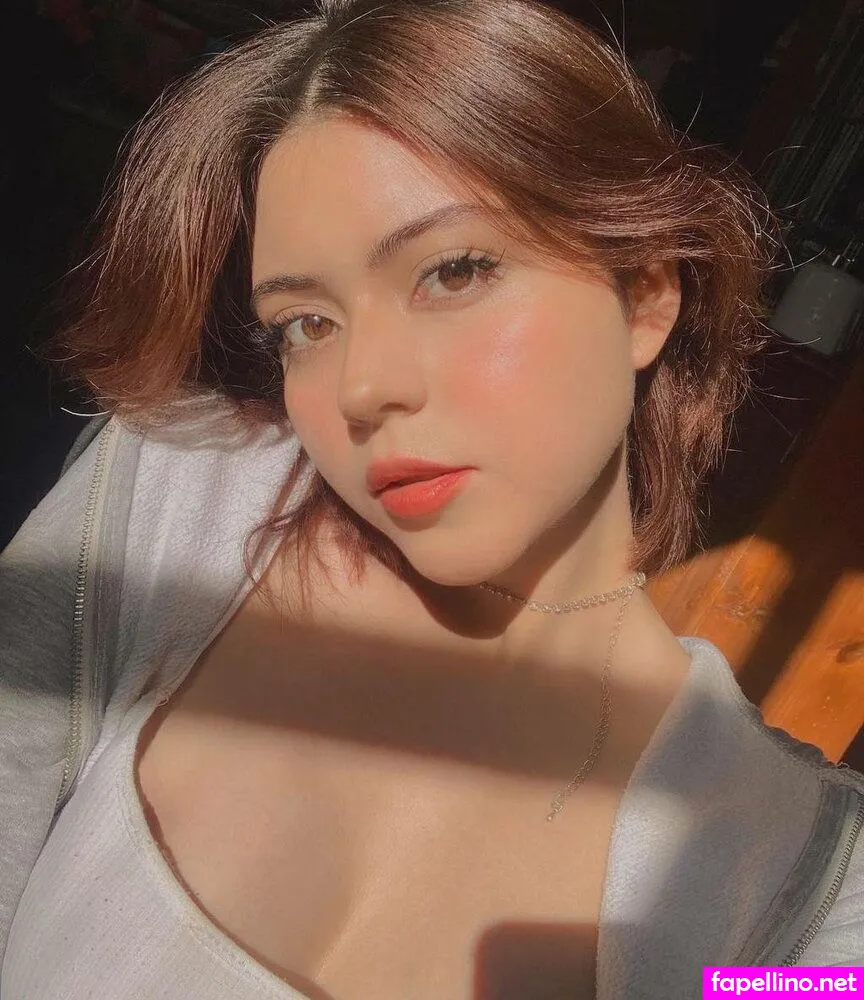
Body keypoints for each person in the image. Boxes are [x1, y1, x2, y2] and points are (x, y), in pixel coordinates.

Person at [1, 0, 863, 997]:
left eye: (454, 271)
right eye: (305, 323)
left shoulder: (806, 901)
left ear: (645, 295)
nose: (361, 387)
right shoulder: (169, 503)